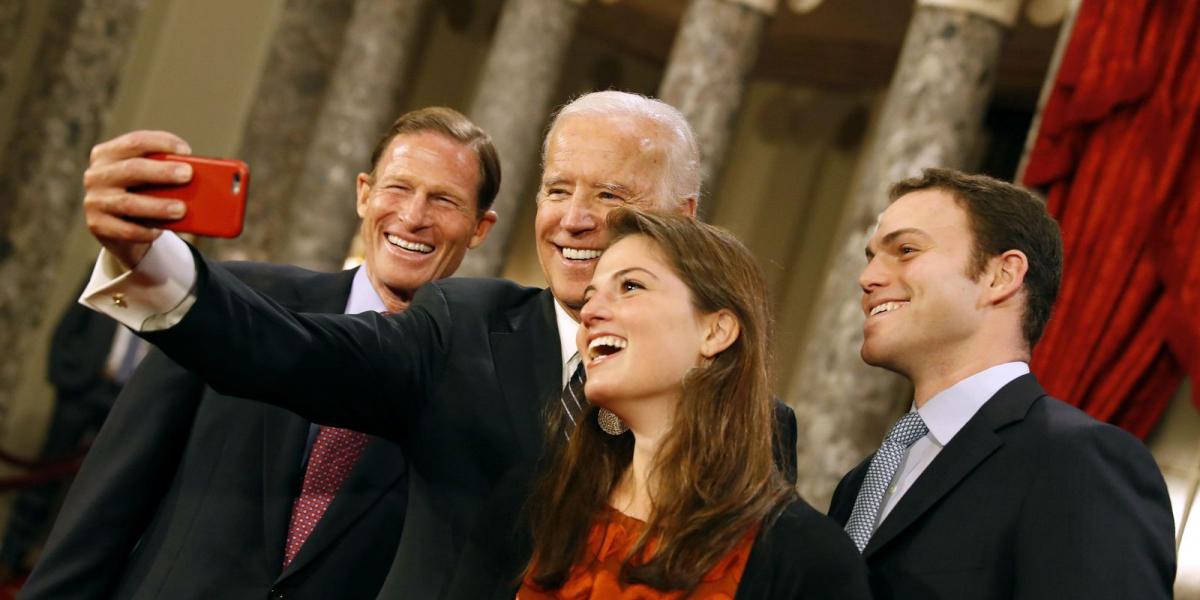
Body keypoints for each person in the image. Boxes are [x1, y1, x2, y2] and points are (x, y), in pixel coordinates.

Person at [72, 91, 799, 598]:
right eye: (557, 190)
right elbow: (292, 350)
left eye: (612, 197)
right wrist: (150, 261)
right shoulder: (461, 322)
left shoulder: (756, 422)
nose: (577, 220)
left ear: (683, 218)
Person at [19, 106, 499, 600]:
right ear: (363, 193)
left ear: (480, 228)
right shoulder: (228, 305)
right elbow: (108, 501)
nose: (414, 216)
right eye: (398, 187)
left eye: (443, 200)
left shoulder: (475, 391)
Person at [826, 168, 1176, 599]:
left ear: (1001, 276)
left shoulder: (1078, 461)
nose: (868, 278)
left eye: (906, 249)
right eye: (871, 257)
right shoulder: (861, 483)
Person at [518, 209, 869, 598]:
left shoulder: (804, 556)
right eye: (590, 297)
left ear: (716, 331)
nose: (590, 314)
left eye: (631, 286)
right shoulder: (560, 502)